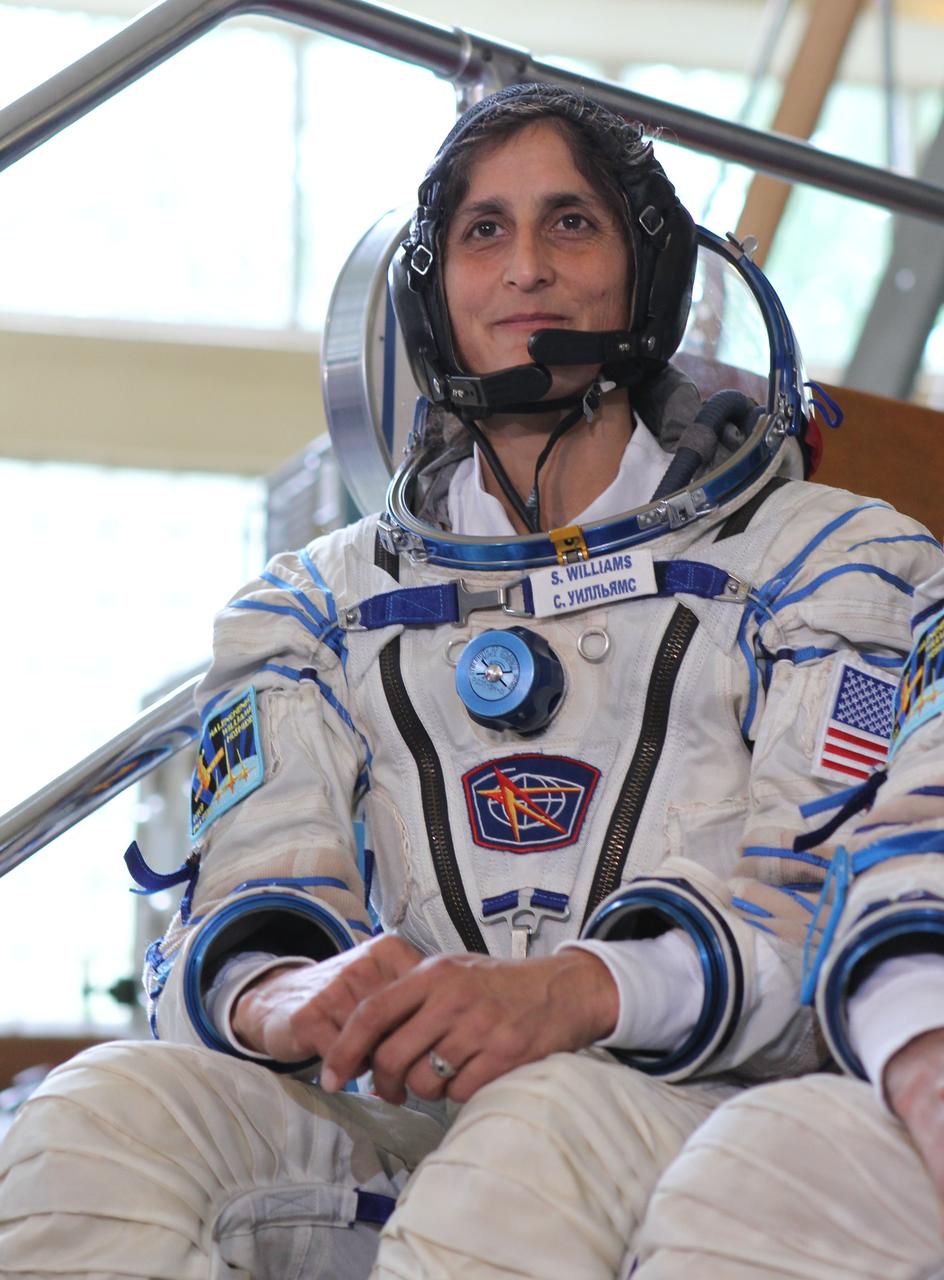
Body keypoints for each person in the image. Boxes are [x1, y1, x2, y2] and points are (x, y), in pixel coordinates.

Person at [0, 82, 940, 1280]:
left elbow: (809, 908)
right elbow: (244, 897)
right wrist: (297, 994)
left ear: (646, 276)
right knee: (94, 1115)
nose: (525, 268)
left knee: (531, 1134)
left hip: (678, 1085)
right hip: (400, 1097)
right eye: (482, 232)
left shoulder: (824, 559)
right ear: (429, 289)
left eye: (571, 223)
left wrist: (576, 991)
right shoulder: (312, 605)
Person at [630, 566, 944, 1280]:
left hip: (724, 1023)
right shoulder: (329, 603)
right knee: (755, 1170)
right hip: (699, 1044)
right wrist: (927, 1052)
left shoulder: (843, 556)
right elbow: (917, 844)